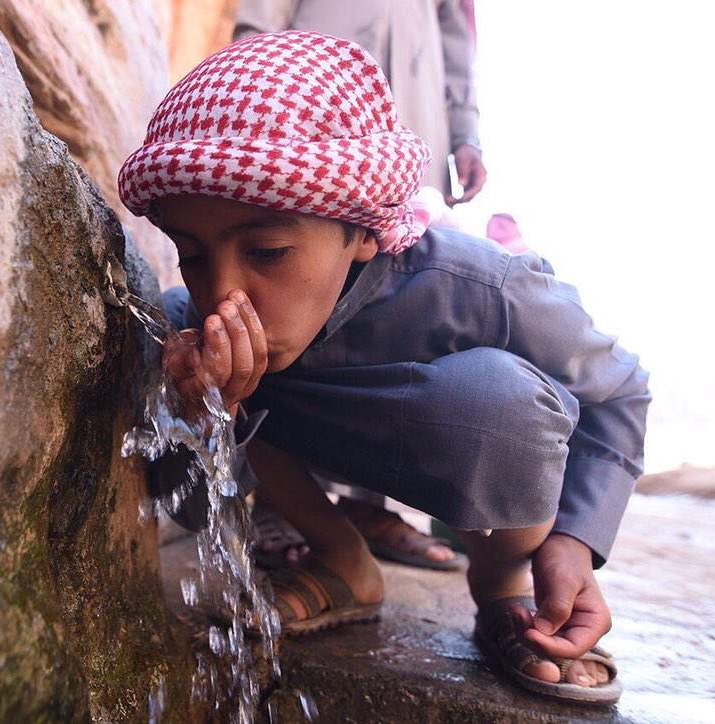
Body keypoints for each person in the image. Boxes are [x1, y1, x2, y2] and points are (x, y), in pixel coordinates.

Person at [119, 31, 649, 704]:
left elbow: (622, 390)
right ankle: (342, 561)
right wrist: (203, 412)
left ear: (365, 230)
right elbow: (184, 511)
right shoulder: (188, 330)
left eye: (270, 250)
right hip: (312, 445)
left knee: (503, 405)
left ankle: (501, 585)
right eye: (194, 253)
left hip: (464, 446)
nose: (225, 294)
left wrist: (575, 540)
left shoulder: (482, 288)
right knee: (199, 362)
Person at [233, 0, 488, 571]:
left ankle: (370, 510)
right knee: (289, 285)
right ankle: (281, 501)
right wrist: (249, 71)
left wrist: (464, 129)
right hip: (302, 94)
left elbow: (456, 25)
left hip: (414, 108)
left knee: (390, 294)